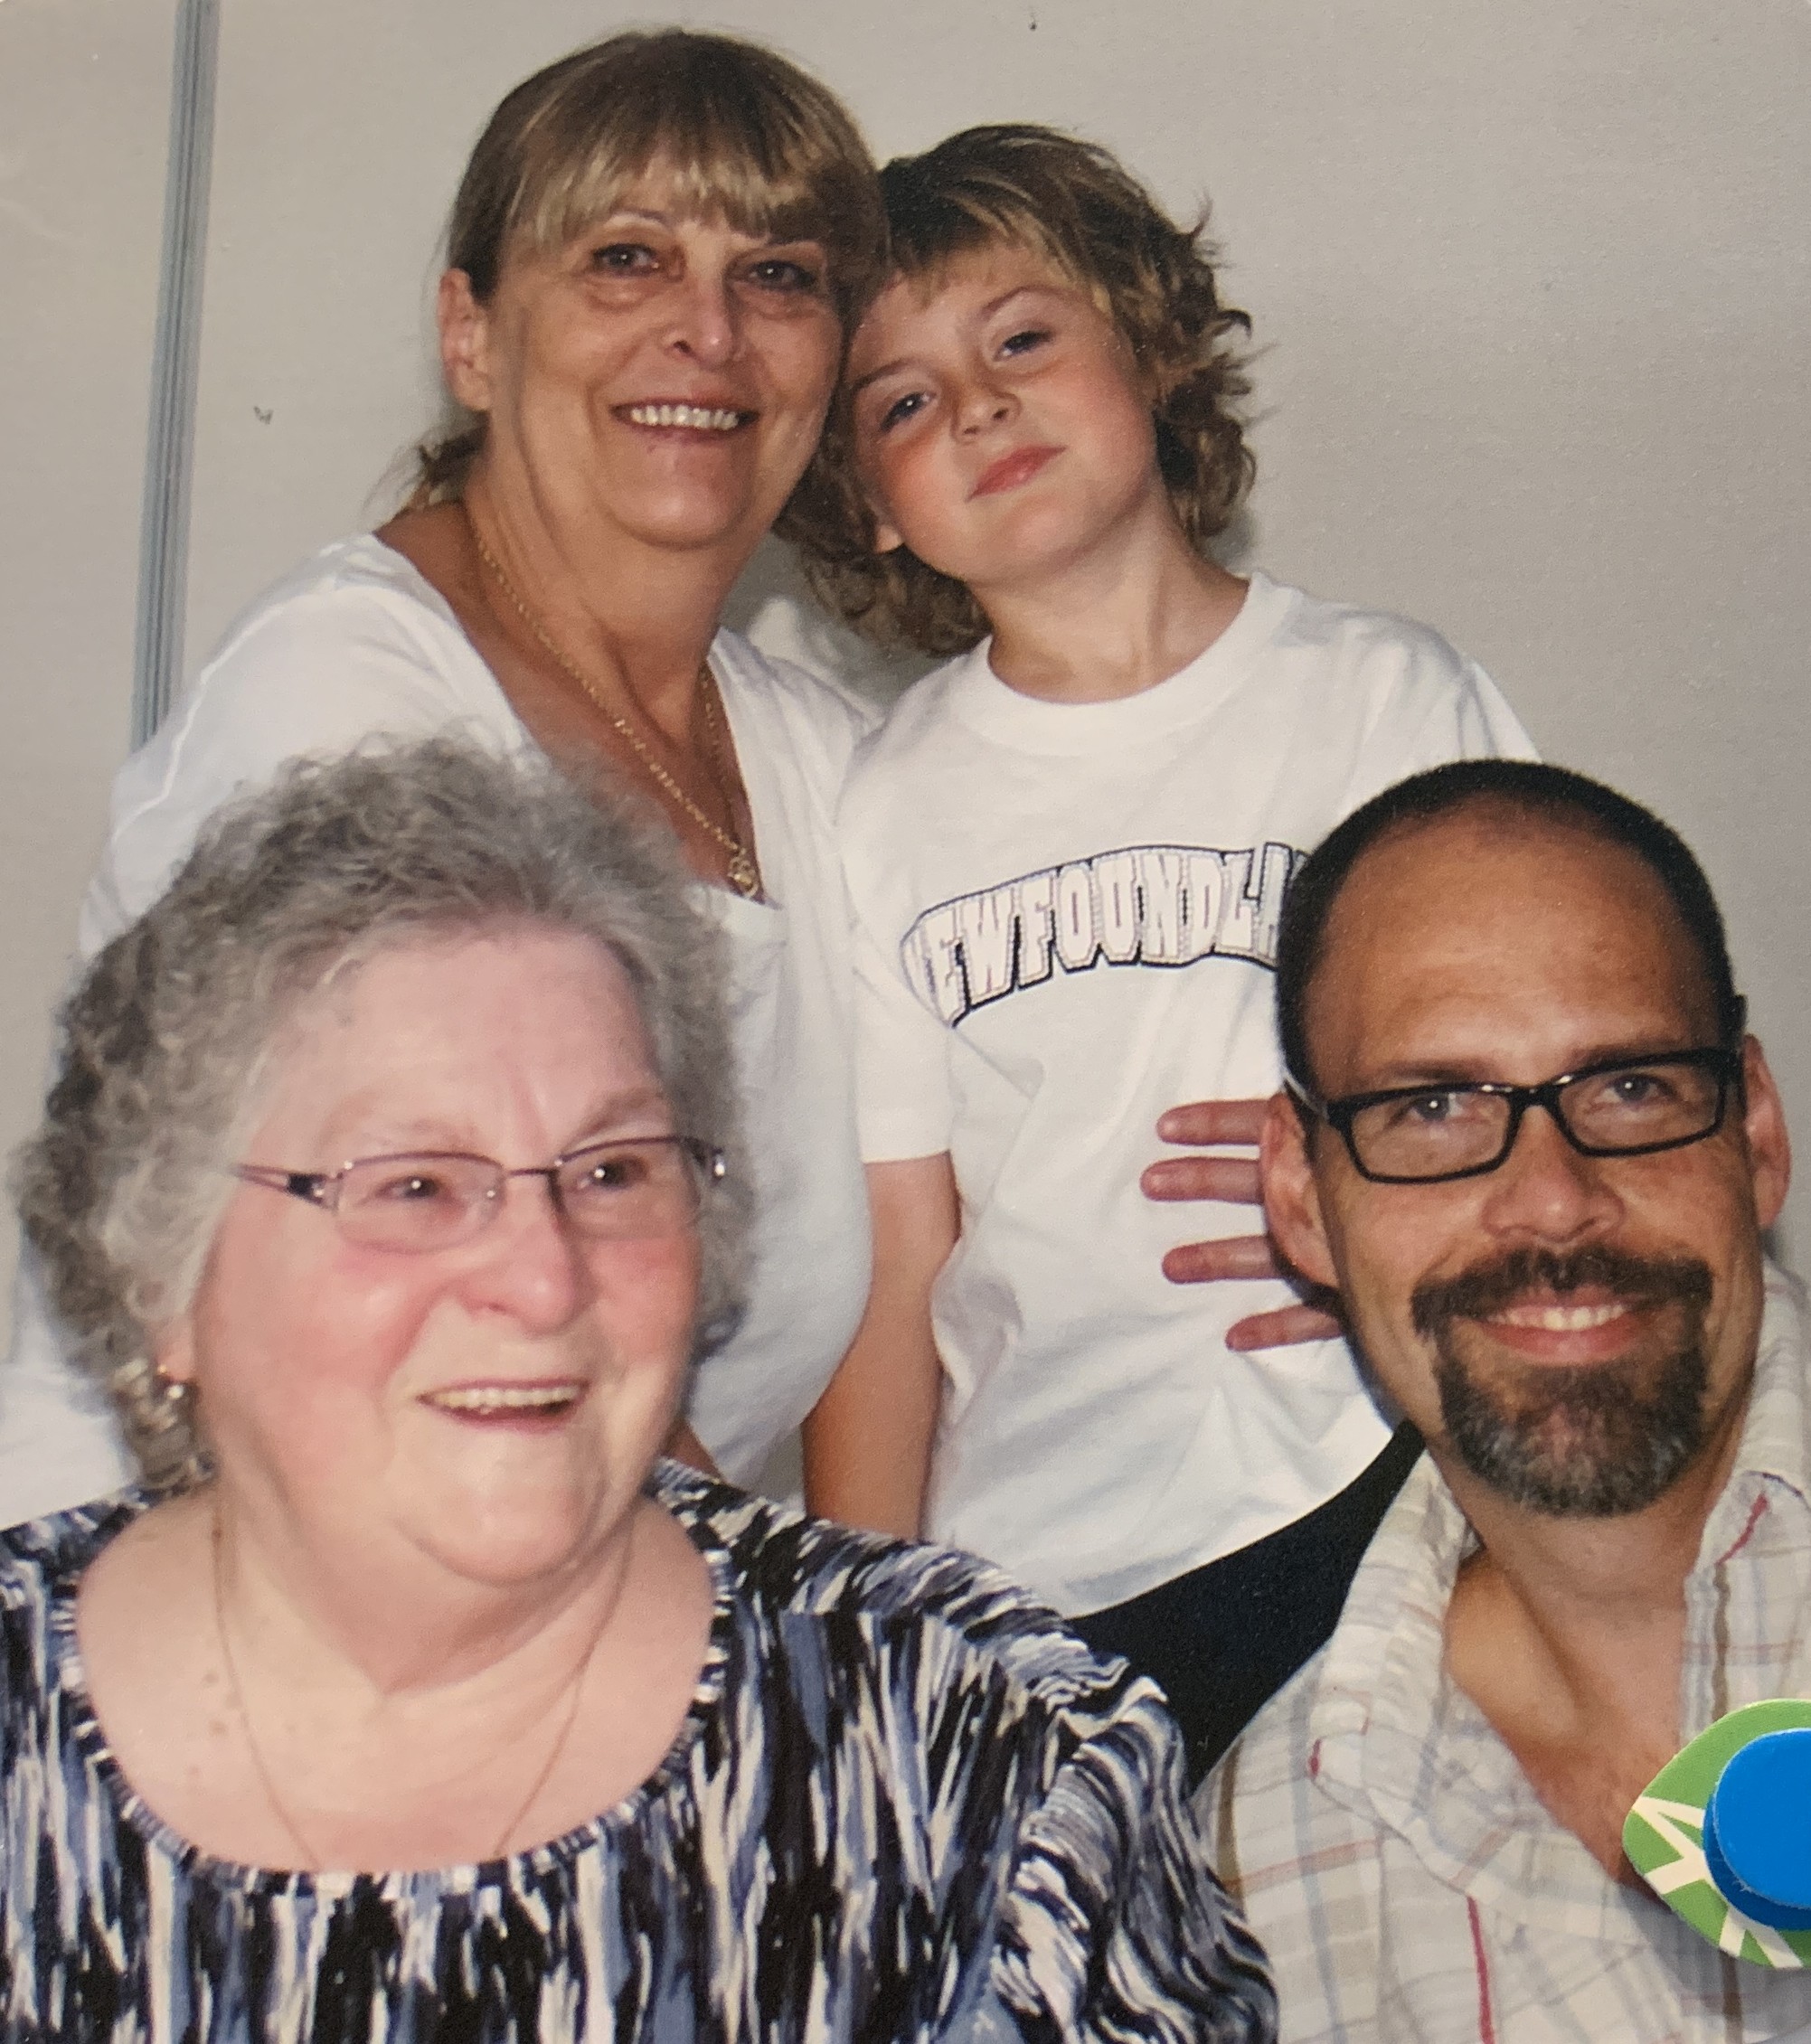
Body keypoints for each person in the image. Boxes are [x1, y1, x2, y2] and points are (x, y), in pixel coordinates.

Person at [0, 740, 1278, 2043]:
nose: (544, 1279)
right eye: (417, 1185)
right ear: (160, 1266)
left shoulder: (984, 1771)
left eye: (613, 1171)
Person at [0, 27, 888, 1520]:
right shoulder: (347, 696)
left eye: (779, 274)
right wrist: (819, 1660)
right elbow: (492, 1306)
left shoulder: (821, 753)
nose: (710, 332)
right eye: (626, 259)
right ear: (471, 335)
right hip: (200, 1627)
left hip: (575, 1635)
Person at [784, 123, 1533, 1772]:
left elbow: (1550, 1068)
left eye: (1023, 340)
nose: (975, 405)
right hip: (1047, 1558)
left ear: (1154, 354)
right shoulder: (881, 803)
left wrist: (1376, 1209)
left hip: (1388, 1474)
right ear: (870, 509)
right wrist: (864, 1636)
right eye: (902, 401)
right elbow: (894, 1259)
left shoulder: (1385, 697)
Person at [1201, 758, 1811, 2041]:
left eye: (1630, 1086)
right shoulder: (1250, 1875)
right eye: (1434, 1106)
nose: (1551, 1197)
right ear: (1303, 1195)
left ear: (1754, 1129)